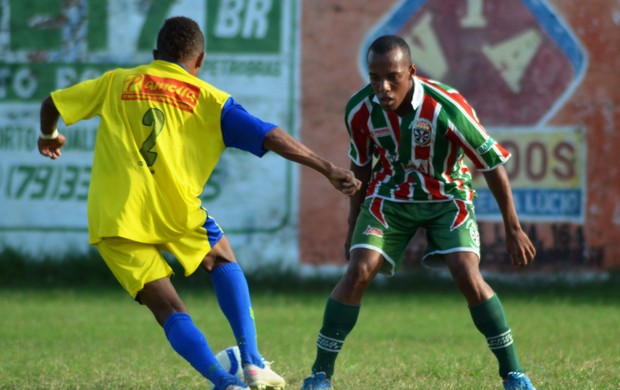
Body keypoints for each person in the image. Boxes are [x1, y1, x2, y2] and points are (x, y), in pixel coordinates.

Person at [37, 16, 361, 390]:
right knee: (222, 258)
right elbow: (270, 135)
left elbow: (52, 103)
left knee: (169, 309)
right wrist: (326, 167)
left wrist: (49, 135)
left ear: (155, 54)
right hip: (175, 210)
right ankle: (252, 360)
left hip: (116, 216)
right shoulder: (211, 100)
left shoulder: (117, 82)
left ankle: (226, 383)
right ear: (200, 59)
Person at [300, 35, 536, 390]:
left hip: (447, 196)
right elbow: (362, 166)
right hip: (390, 197)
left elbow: (491, 164)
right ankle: (320, 375)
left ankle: (514, 374)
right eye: (374, 77)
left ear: (411, 71)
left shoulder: (447, 106)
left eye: (392, 76)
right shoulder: (360, 110)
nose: (382, 87)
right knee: (359, 270)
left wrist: (513, 228)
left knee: (466, 274)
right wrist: (353, 223)